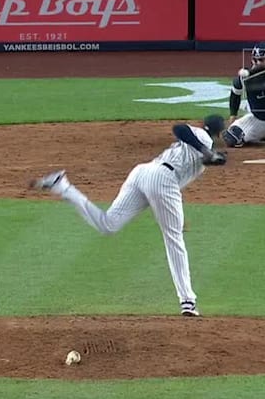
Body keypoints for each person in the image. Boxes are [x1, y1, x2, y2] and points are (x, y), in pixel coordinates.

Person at [31, 115, 229, 317]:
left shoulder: (197, 149)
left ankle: (63, 186)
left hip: (142, 173)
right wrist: (206, 151)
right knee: (174, 239)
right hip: (162, 179)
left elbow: (200, 161)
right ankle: (188, 301)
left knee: (108, 225)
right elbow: (179, 128)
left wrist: (212, 157)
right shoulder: (201, 137)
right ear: (219, 132)